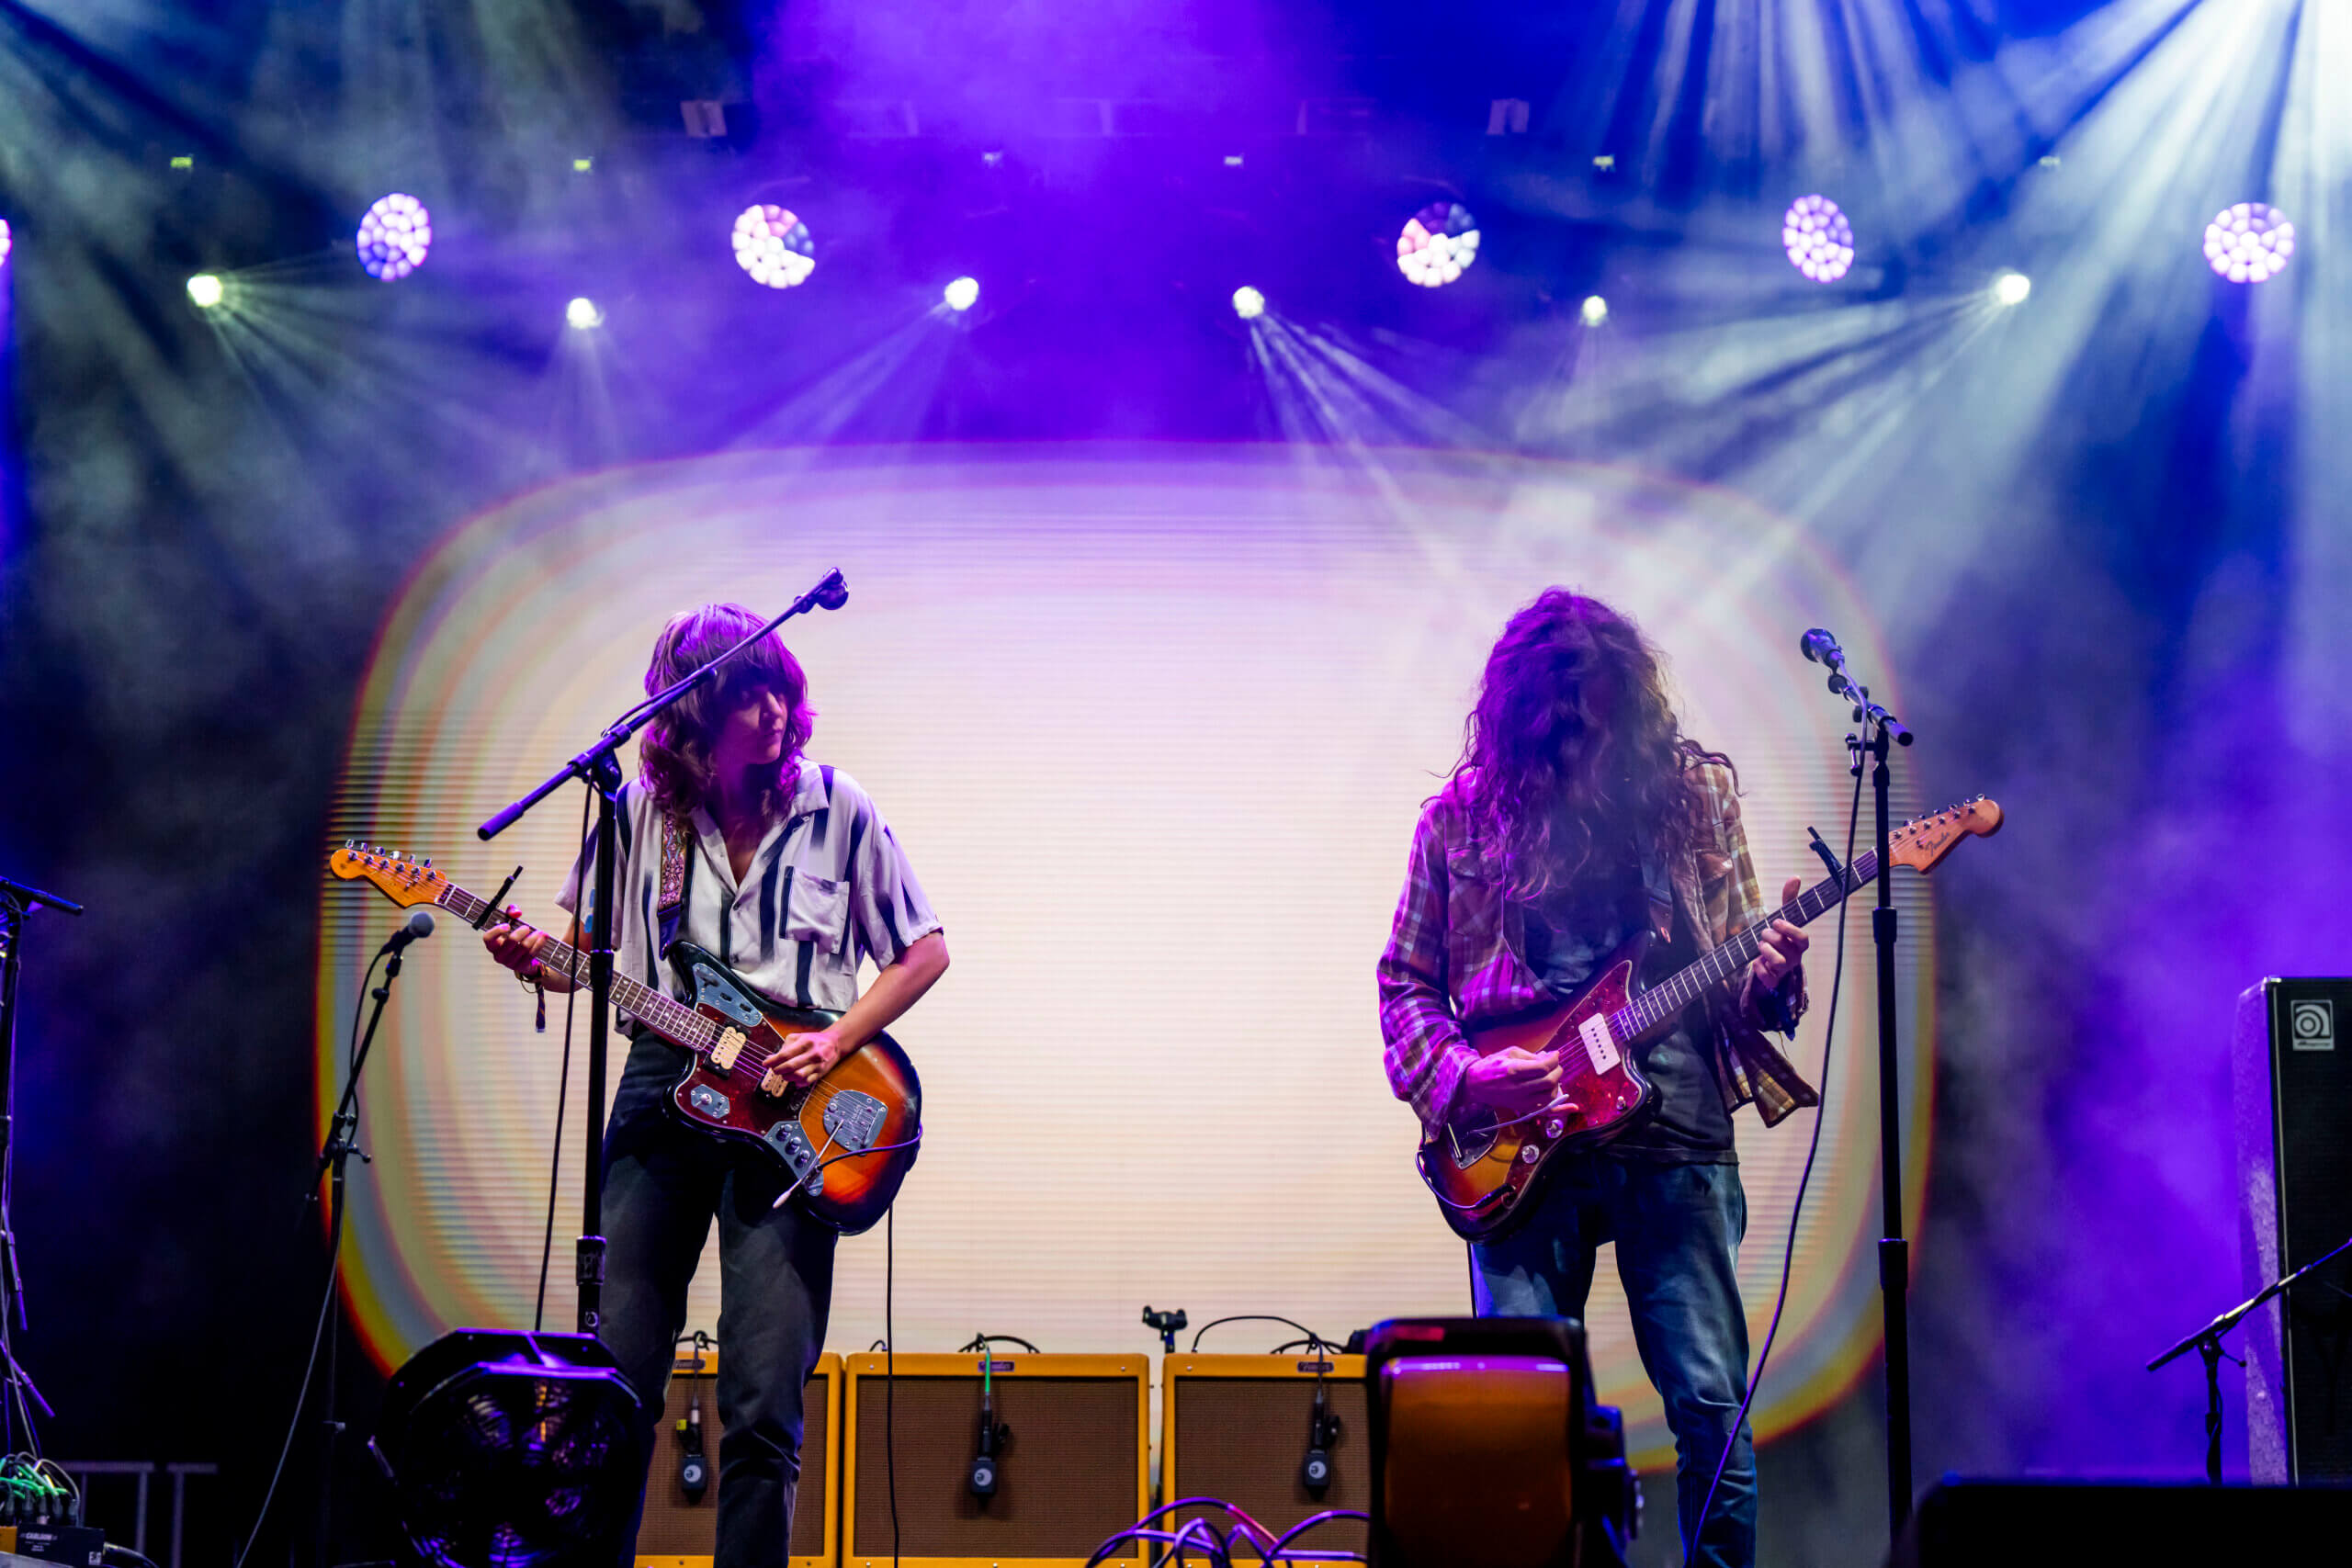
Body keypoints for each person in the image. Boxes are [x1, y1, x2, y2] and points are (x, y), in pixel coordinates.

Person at [481, 603, 949, 1565]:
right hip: (665, 1080)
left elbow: (923, 952)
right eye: (748, 695)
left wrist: (832, 1044)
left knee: (762, 1401)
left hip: (792, 1099)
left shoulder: (839, 808)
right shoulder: (643, 814)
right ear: (691, 714)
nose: (775, 708)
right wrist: (537, 958)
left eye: (781, 686)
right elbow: (588, 957)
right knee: (612, 1388)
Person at [1377, 590, 1816, 1568]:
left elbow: (1744, 976)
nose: (1577, 751)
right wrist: (1462, 1077)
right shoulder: (1458, 823)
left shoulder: (1691, 796)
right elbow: (1405, 983)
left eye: (1595, 728)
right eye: (1557, 733)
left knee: (1707, 1400)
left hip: (1675, 1132)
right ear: (1517, 724)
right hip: (1518, 1147)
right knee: (1521, 1410)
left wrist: (1773, 974)